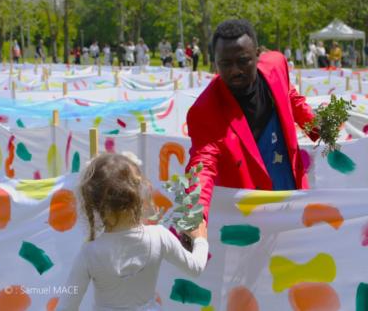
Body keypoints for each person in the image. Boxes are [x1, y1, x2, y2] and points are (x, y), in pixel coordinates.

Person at [185, 19, 319, 220]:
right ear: (215, 62)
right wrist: (194, 215)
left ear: (257, 55)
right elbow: (202, 165)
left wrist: (315, 125)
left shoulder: (276, 65)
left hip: (291, 187)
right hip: (250, 210)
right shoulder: (205, 110)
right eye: (225, 64)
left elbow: (289, 95)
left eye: (243, 61)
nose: (235, 71)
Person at [56, 153, 208, 311]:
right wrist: (200, 238)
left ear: (93, 203)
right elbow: (195, 267)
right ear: (137, 195)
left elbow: (65, 307)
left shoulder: (90, 252)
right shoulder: (159, 236)